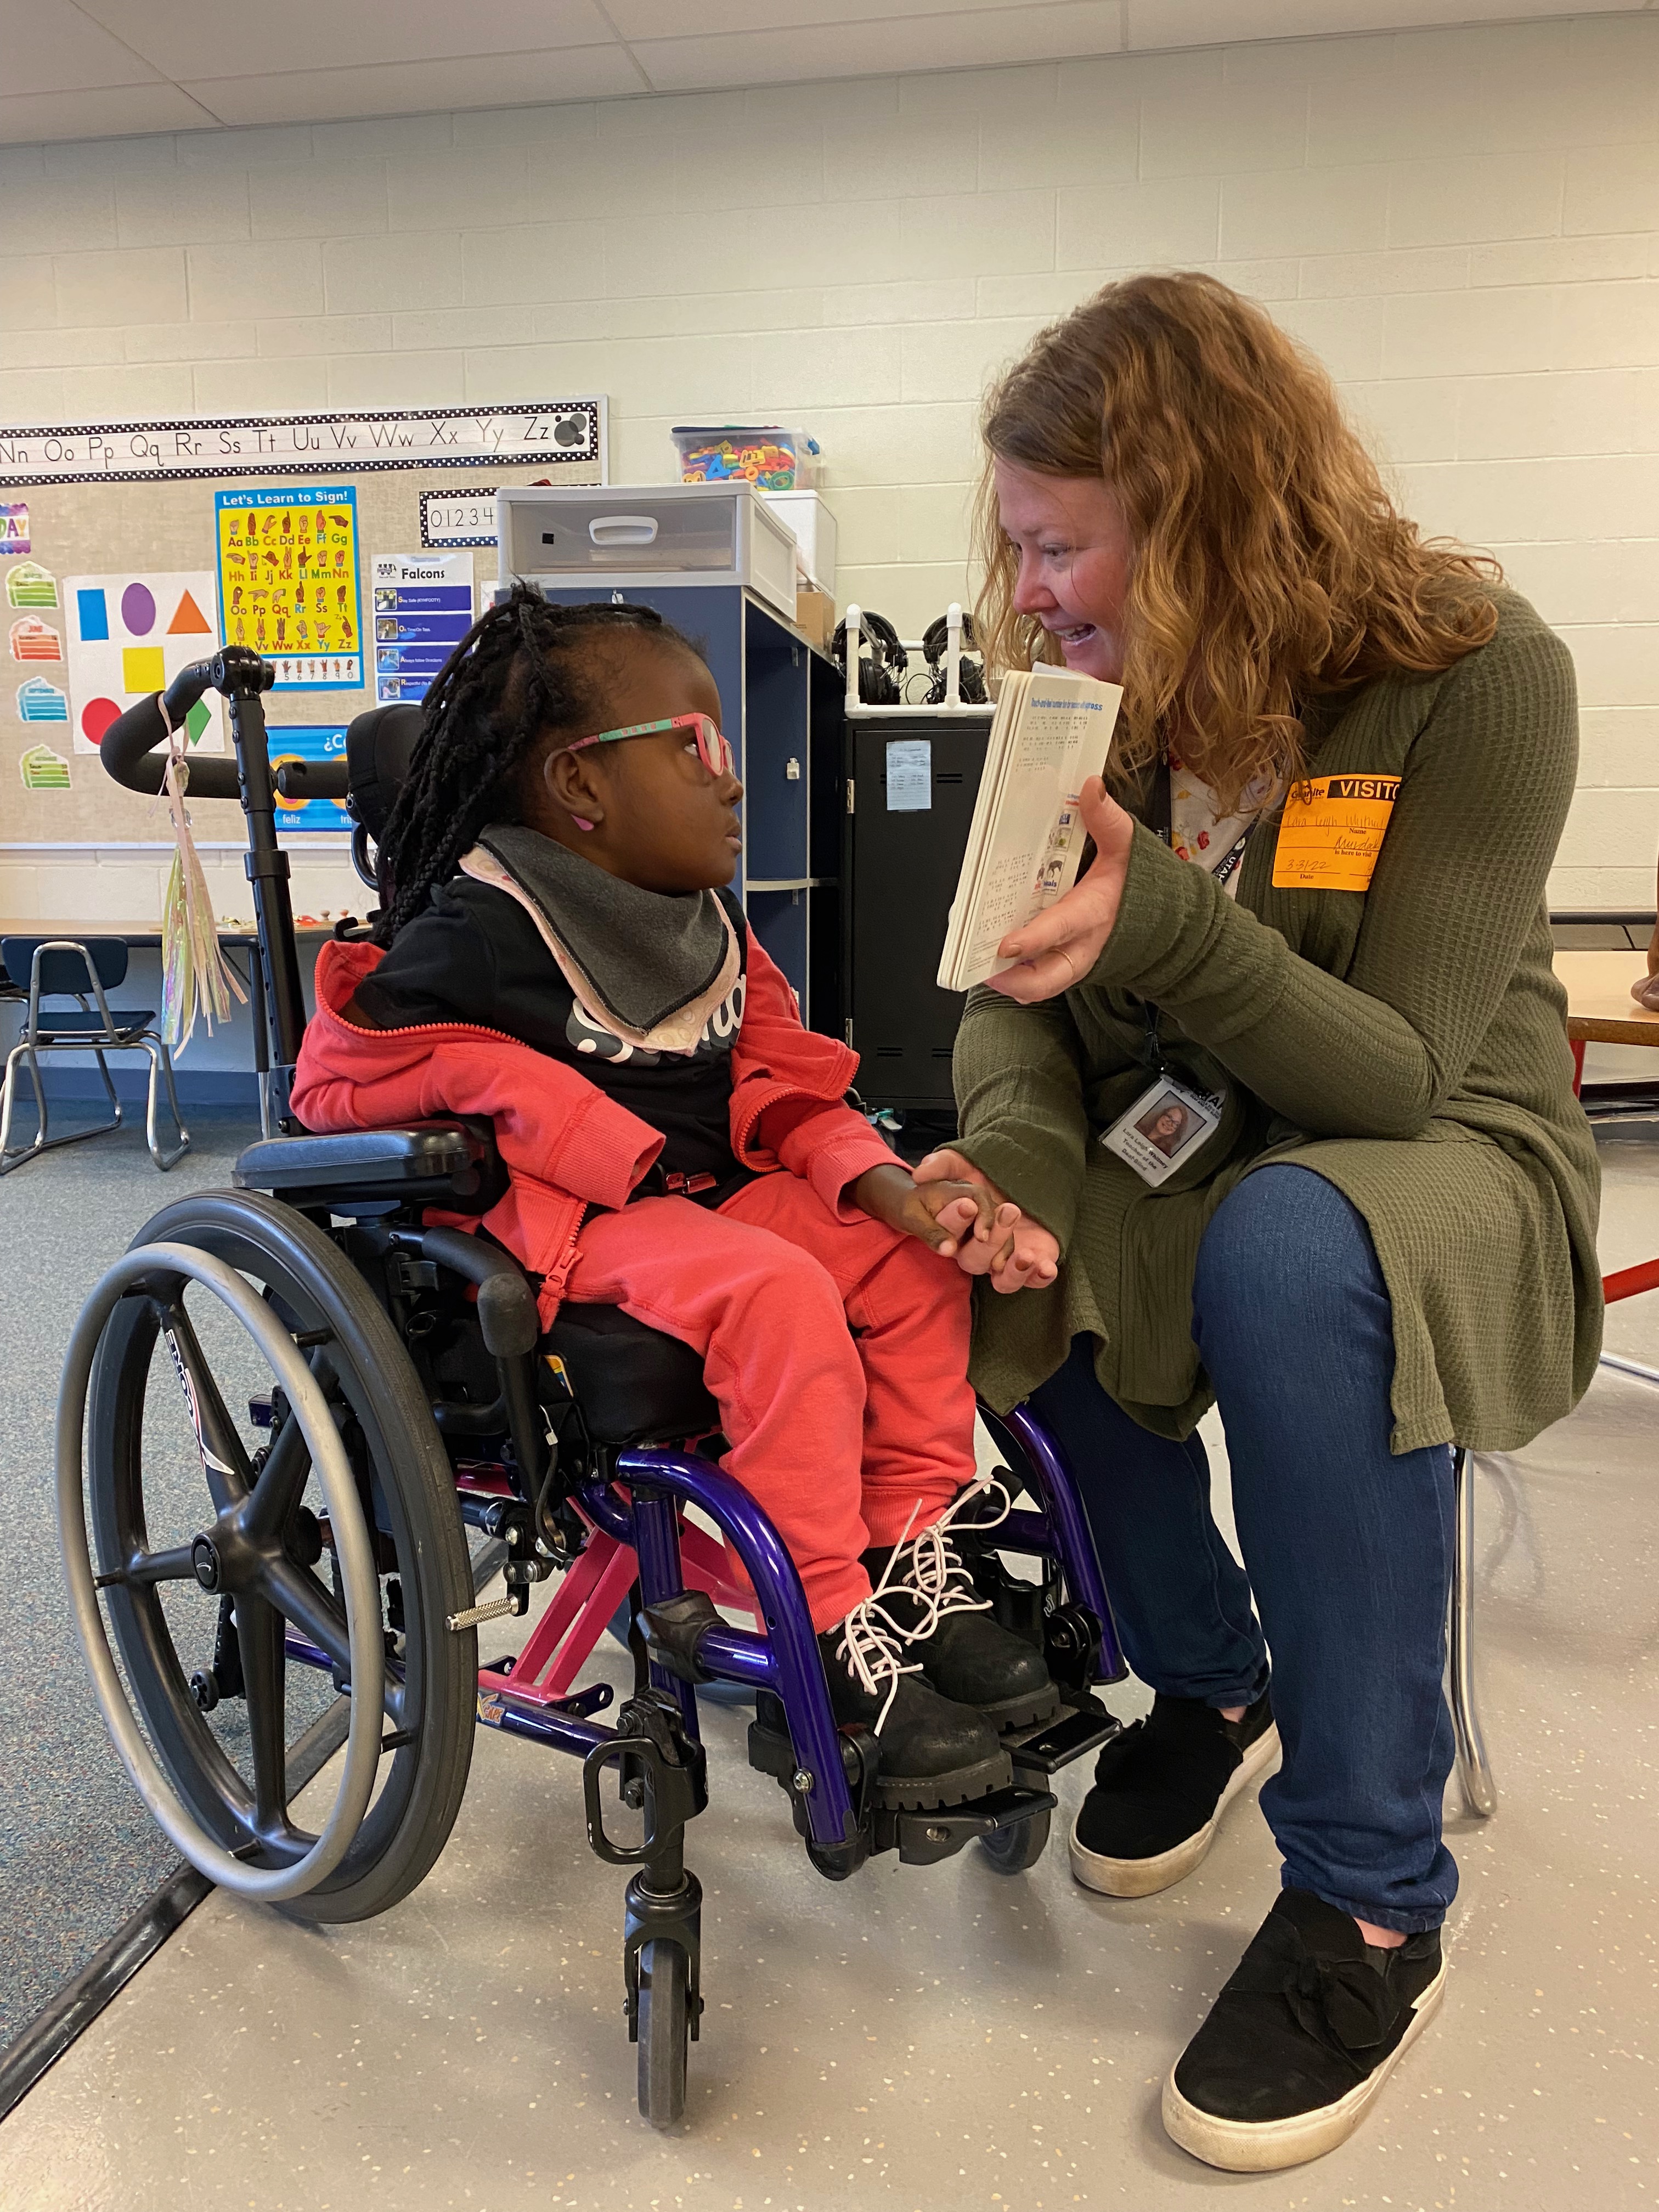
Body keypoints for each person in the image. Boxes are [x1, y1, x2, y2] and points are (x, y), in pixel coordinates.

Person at [914, 273, 1601, 2171]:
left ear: (1201, 511)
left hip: (1443, 1138)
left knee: (1290, 1249)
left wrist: (1160, 926)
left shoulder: (1478, 671)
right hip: (1195, 1132)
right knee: (994, 1266)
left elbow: (1387, 1072)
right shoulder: (1083, 714)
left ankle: (1373, 1899)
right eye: (1018, 543)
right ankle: (1214, 1682)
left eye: (1060, 544)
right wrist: (1013, 1169)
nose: (1032, 590)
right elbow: (1005, 1002)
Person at [292, 591, 1058, 1813]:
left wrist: (891, 1188)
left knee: (902, 1263)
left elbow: (780, 1083)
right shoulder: (483, 934)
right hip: (569, 1226)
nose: (734, 781)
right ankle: (822, 1627)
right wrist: (517, 1098)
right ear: (579, 786)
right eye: (698, 746)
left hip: (712, 1192)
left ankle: (909, 1553)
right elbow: (334, 1084)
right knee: (780, 1296)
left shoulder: (708, 927)